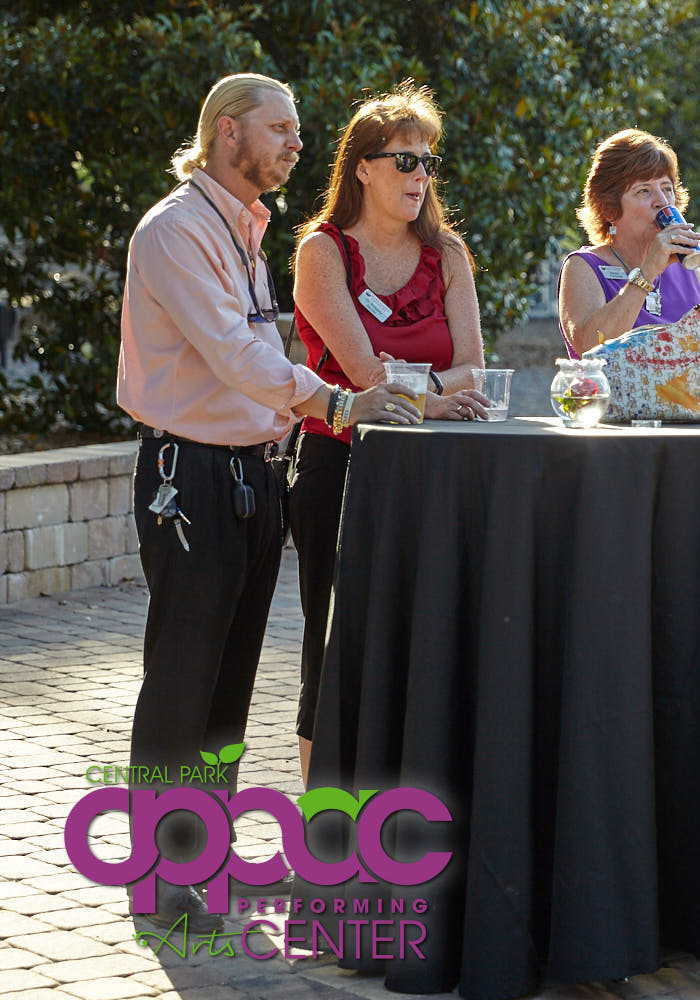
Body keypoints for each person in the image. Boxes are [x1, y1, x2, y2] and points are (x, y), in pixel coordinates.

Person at [116, 73, 421, 933]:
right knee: (183, 679)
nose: (296, 142)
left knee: (229, 685)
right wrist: (335, 402)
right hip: (189, 476)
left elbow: (253, 359)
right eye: (279, 128)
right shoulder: (177, 230)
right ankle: (159, 881)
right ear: (227, 131)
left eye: (295, 130)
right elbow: (233, 354)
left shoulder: (243, 230)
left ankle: (198, 866)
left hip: (251, 472)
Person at [288, 81, 487, 785]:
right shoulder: (323, 253)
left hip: (437, 475)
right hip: (342, 466)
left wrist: (419, 396)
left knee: (427, 640)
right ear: (363, 168)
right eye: (406, 160)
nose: (420, 175)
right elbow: (366, 378)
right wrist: (437, 395)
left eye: (428, 161)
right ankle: (322, 821)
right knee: (335, 642)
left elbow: (476, 369)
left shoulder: (448, 254)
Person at [556, 128, 700, 420]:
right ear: (609, 208)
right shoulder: (583, 267)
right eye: (644, 191)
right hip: (611, 431)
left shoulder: (686, 272)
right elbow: (590, 347)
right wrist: (648, 271)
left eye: (667, 188)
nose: (662, 201)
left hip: (684, 431)